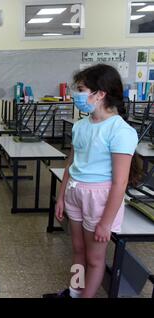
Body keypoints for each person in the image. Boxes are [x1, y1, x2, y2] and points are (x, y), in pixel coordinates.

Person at [43, 64, 139, 298]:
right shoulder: (81, 126)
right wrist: (61, 196)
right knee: (77, 250)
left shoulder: (120, 130)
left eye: (81, 89)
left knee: (95, 259)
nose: (77, 94)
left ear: (100, 93)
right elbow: (72, 163)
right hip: (75, 193)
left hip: (100, 199)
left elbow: (119, 182)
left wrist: (106, 223)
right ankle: (75, 291)